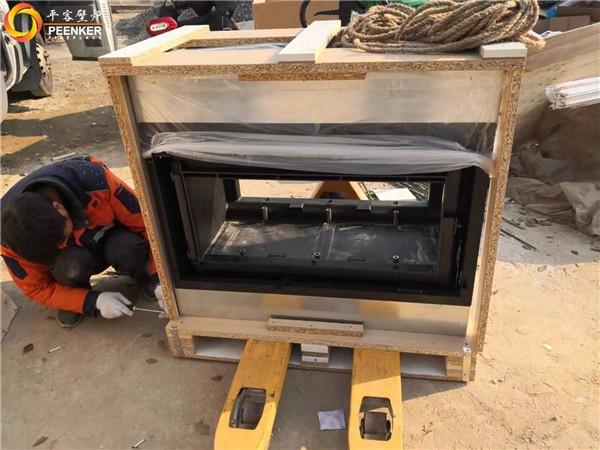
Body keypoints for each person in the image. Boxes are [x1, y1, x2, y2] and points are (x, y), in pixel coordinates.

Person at [0, 156, 166, 328]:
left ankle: (147, 278)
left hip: (113, 239)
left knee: (127, 248)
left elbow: (149, 227)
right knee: (70, 265)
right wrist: (91, 301)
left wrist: (159, 277)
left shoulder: (96, 181)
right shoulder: (10, 236)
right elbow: (38, 287)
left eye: (63, 239)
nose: (65, 244)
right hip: (75, 262)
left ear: (59, 208)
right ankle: (73, 295)